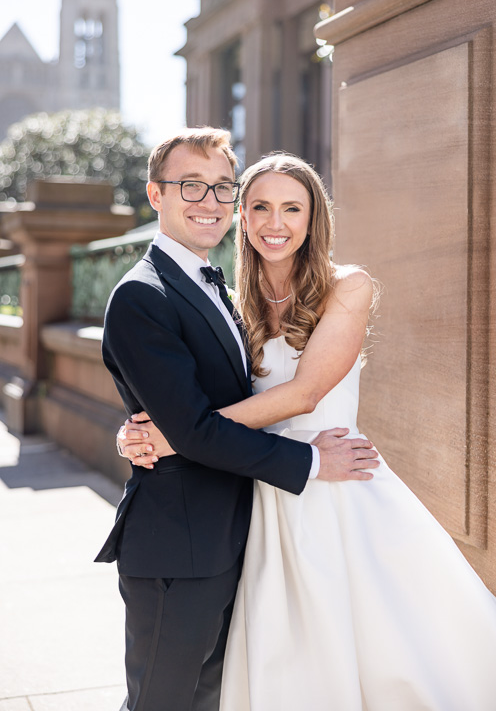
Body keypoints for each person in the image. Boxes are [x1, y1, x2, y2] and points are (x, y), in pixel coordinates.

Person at [121, 152, 496, 711]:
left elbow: (304, 394)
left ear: (313, 219)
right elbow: (188, 393)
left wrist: (178, 434)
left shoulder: (347, 286)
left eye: (291, 209)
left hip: (336, 489)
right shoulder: (233, 303)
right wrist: (136, 430)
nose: (275, 223)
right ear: (242, 216)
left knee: (380, 653)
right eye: (259, 207)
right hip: (260, 494)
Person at [96, 128, 381, 711]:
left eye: (221, 187)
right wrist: (162, 435)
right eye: (190, 185)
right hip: (182, 542)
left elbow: (220, 406)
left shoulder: (224, 291)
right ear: (155, 194)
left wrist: (166, 435)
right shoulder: (142, 295)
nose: (208, 201)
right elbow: (192, 420)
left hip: (244, 527)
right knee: (160, 700)